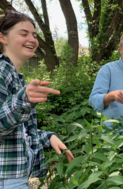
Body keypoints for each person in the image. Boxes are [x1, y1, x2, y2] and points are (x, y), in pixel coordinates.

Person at [0, 10, 74, 188]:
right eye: (23, 34)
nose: (33, 40)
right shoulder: (2, 71)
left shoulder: (17, 77)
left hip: (14, 176)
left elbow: (20, 132)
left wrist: (48, 138)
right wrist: (22, 99)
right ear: (2, 38)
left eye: (34, 35)